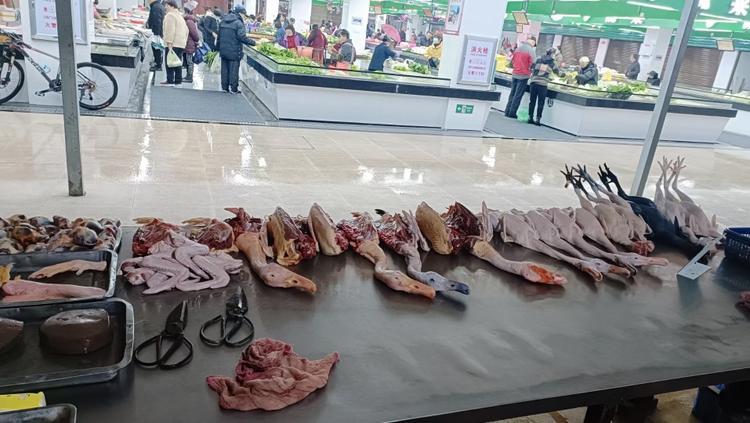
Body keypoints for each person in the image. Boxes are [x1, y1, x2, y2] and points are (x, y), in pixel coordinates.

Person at [217, 5, 255, 93]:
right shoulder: (238, 23)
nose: (244, 17)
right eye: (244, 15)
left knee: (224, 69)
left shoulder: (223, 21)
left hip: (223, 50)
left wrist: (218, 48)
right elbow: (242, 37)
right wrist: (254, 43)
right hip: (234, 50)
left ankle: (224, 88)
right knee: (234, 70)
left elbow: (219, 36)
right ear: (240, 13)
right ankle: (233, 89)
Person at [527, 47, 563, 126]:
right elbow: (558, 73)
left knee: (532, 101)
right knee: (541, 102)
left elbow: (531, 66)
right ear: (552, 54)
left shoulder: (538, 58)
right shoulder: (553, 62)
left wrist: (535, 72)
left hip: (533, 82)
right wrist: (564, 75)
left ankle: (530, 118)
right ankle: (538, 120)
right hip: (543, 84)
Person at [504, 36, 536, 119]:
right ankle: (512, 113)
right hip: (523, 76)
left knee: (512, 93)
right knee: (518, 95)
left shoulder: (518, 49)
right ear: (532, 42)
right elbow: (533, 63)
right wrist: (530, 71)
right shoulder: (531, 50)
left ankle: (507, 111)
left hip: (515, 74)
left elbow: (512, 61)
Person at [161, 0, 188, 85]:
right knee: (177, 62)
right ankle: (178, 80)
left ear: (172, 6)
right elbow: (186, 30)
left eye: (167, 5)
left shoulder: (170, 15)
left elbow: (170, 30)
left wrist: (169, 43)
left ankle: (170, 80)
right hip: (181, 43)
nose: (165, 7)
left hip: (173, 43)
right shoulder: (180, 16)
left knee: (169, 61)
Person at [182, 4, 201, 83]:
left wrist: (196, 40)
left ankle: (189, 77)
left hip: (189, 43)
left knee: (189, 61)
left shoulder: (189, 21)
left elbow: (194, 34)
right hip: (187, 43)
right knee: (187, 60)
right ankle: (188, 76)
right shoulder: (188, 20)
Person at [146, 0, 165, 71]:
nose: (148, 1)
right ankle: (157, 62)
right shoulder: (158, 5)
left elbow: (157, 21)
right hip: (158, 32)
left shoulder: (155, 7)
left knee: (156, 48)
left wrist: (156, 34)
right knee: (158, 48)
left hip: (156, 32)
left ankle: (158, 65)